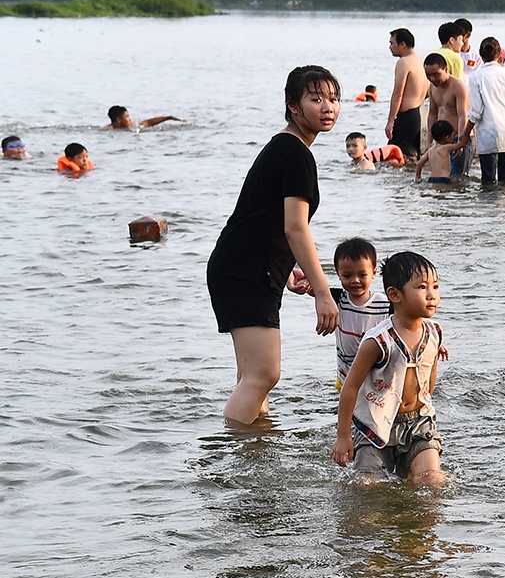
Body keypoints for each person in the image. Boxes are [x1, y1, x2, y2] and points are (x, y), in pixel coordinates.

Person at [206, 66, 341, 426]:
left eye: (333, 99)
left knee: (254, 379)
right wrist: (322, 292)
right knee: (263, 376)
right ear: (293, 106)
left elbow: (262, 219)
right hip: (245, 271)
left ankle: (251, 453)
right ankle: (231, 450)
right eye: (316, 99)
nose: (327, 107)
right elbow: (295, 228)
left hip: (242, 267)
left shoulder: (286, 147)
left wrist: (287, 270)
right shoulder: (295, 153)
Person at [332, 251, 446, 488]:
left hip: (418, 423)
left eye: (435, 286)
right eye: (422, 287)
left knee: (432, 482)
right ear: (394, 294)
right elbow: (351, 386)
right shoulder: (378, 341)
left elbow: (429, 376)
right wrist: (343, 436)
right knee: (367, 487)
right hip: (376, 424)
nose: (431, 295)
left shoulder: (434, 332)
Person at [460, 37, 505, 185]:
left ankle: (488, 208)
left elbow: (476, 111)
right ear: (499, 56)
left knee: (487, 182)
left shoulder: (476, 76)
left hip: (488, 134)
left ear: (481, 55)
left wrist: (465, 134)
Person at [422, 53, 469, 177]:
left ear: (446, 69)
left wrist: (460, 141)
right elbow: (432, 113)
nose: (432, 79)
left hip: (457, 136)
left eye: (436, 74)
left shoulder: (458, 87)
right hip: (441, 139)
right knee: (442, 174)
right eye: (428, 75)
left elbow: (462, 115)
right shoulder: (432, 87)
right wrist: (429, 142)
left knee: (457, 176)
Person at [416, 120, 457, 185]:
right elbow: (461, 144)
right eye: (453, 135)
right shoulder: (446, 147)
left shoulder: (430, 150)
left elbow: (419, 164)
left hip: (431, 179)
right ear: (447, 137)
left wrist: (418, 177)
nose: (453, 137)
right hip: (444, 180)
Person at [107, 105, 179, 130]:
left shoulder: (132, 125)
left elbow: (148, 122)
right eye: (127, 117)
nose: (130, 119)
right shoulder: (109, 129)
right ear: (119, 120)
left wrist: (168, 117)